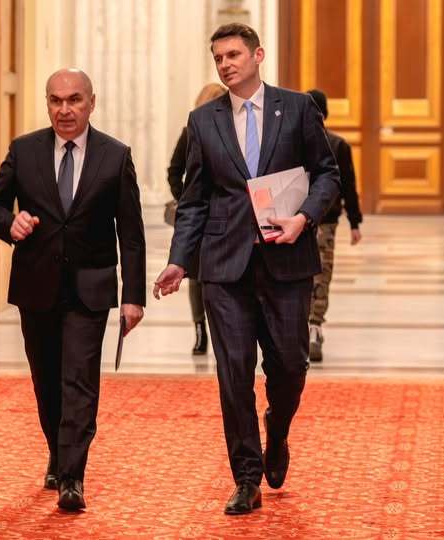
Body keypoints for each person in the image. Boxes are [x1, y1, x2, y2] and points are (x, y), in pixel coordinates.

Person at [154, 23, 340, 515]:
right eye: (218, 58)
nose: (225, 64)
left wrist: (304, 218)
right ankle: (246, 476)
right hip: (224, 267)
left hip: (287, 262)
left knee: (289, 367)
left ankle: (277, 430)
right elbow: (194, 200)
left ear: (258, 55)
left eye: (233, 55)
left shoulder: (297, 108)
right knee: (233, 374)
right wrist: (178, 260)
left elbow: (327, 174)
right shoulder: (203, 121)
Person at [0, 68, 145, 512]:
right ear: (47, 104)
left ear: (91, 103)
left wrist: (133, 296)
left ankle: (73, 476)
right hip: (36, 286)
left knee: (80, 381)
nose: (64, 109)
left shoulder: (115, 156)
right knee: (48, 380)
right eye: (56, 100)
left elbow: (131, 233)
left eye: (74, 100)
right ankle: (57, 449)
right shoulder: (25, 150)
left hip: (91, 289)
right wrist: (9, 223)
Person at [166, 83, 227, 355]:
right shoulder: (190, 132)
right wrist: (187, 199)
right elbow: (174, 171)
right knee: (195, 276)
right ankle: (200, 329)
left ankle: (222, 327)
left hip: (225, 215)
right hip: (198, 217)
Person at [306, 89, 364, 363]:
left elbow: (347, 185)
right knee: (321, 272)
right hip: (323, 221)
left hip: (299, 219)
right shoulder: (338, 144)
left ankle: (308, 326)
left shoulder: (296, 143)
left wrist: (355, 220)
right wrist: (354, 222)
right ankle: (313, 326)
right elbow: (348, 187)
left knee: (302, 273)